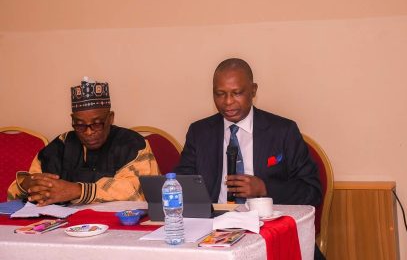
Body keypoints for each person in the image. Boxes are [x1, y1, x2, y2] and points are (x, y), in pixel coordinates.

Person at [175, 58, 324, 258]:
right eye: (220, 94)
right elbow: (182, 184)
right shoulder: (199, 132)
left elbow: (312, 191)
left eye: (237, 93)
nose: (228, 102)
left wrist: (264, 188)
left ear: (253, 90)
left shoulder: (283, 131)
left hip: (268, 231)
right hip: (212, 232)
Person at [7, 78, 159, 205]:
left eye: (97, 124)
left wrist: (78, 191)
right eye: (80, 125)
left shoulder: (132, 144)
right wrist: (27, 185)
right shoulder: (61, 145)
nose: (88, 132)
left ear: (110, 118)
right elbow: (23, 190)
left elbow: (139, 192)